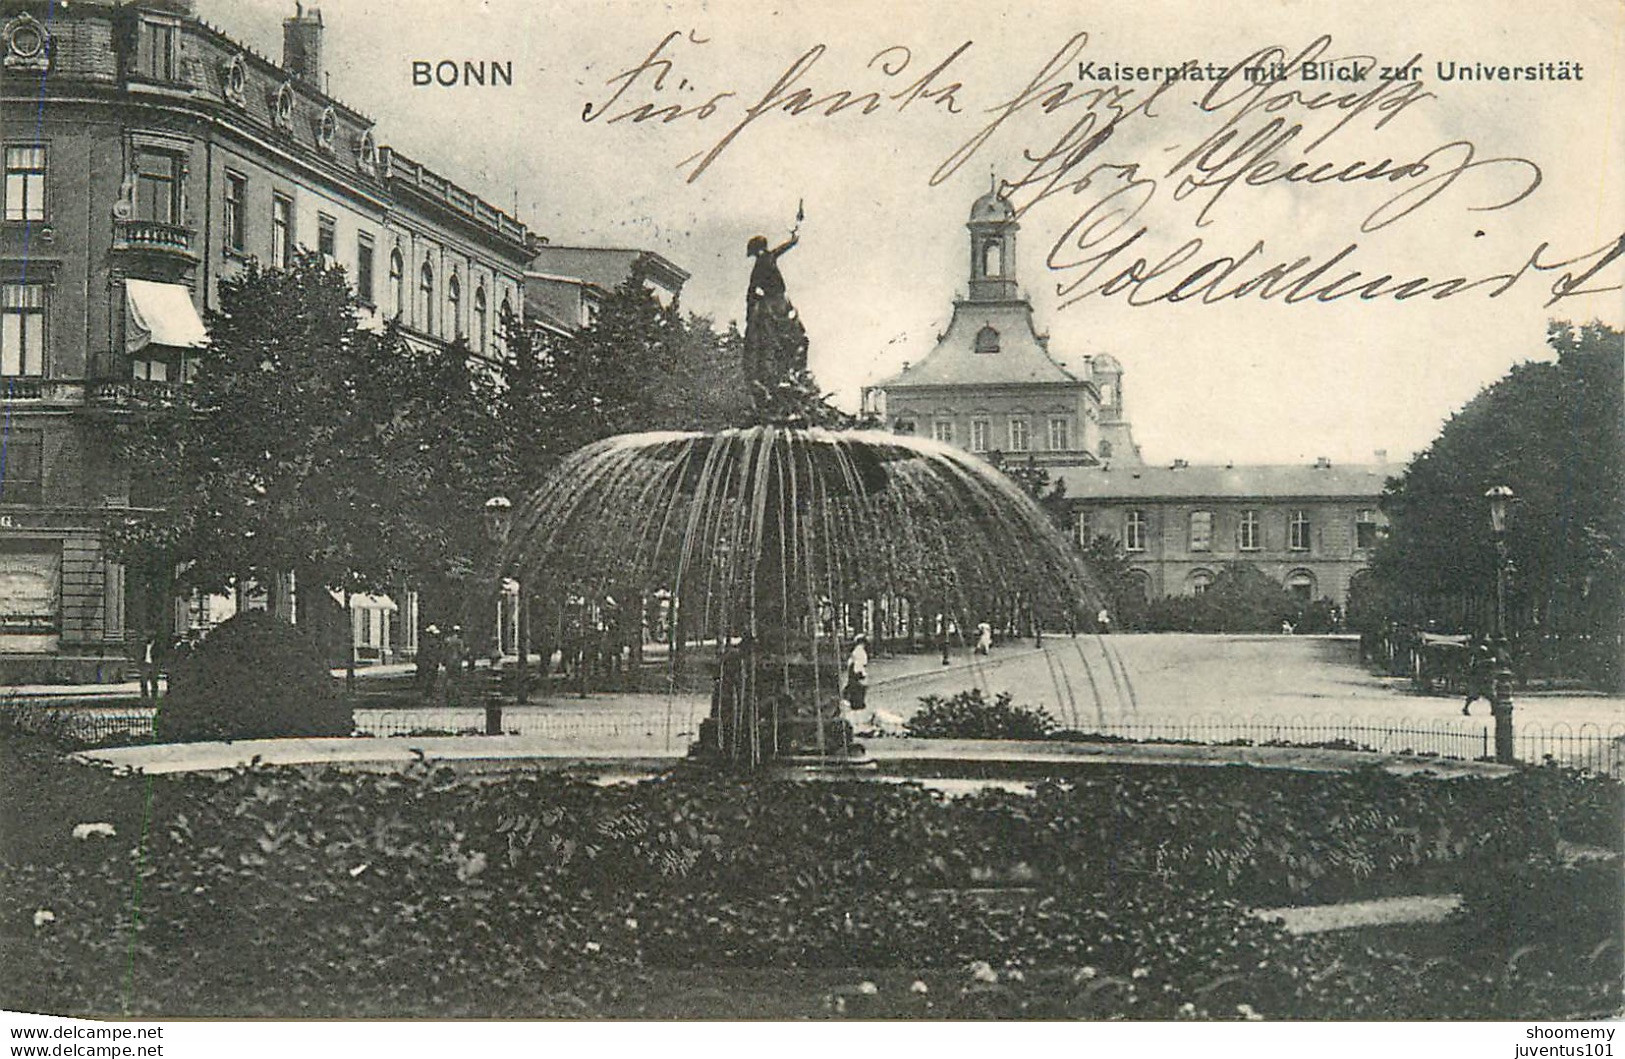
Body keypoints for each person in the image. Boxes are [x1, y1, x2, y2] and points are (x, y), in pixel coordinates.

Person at [743, 228, 808, 391]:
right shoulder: (764, 261)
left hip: (779, 299)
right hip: (774, 301)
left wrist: (792, 241)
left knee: (794, 334)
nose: (762, 253)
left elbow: (752, 289)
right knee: (782, 336)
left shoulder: (765, 259)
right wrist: (793, 241)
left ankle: (790, 371)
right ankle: (785, 371)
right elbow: (752, 289)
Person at [1462, 638, 1495, 715]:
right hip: (1480, 676)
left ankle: (1465, 708)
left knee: (1484, 695)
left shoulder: (1479, 651)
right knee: (1489, 695)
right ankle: (1465, 708)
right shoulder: (1482, 651)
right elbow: (1479, 664)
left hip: (1480, 676)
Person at [844, 633, 869, 719]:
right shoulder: (860, 652)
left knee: (855, 692)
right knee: (858, 694)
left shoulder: (856, 651)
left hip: (854, 674)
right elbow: (859, 665)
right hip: (857, 674)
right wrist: (861, 675)